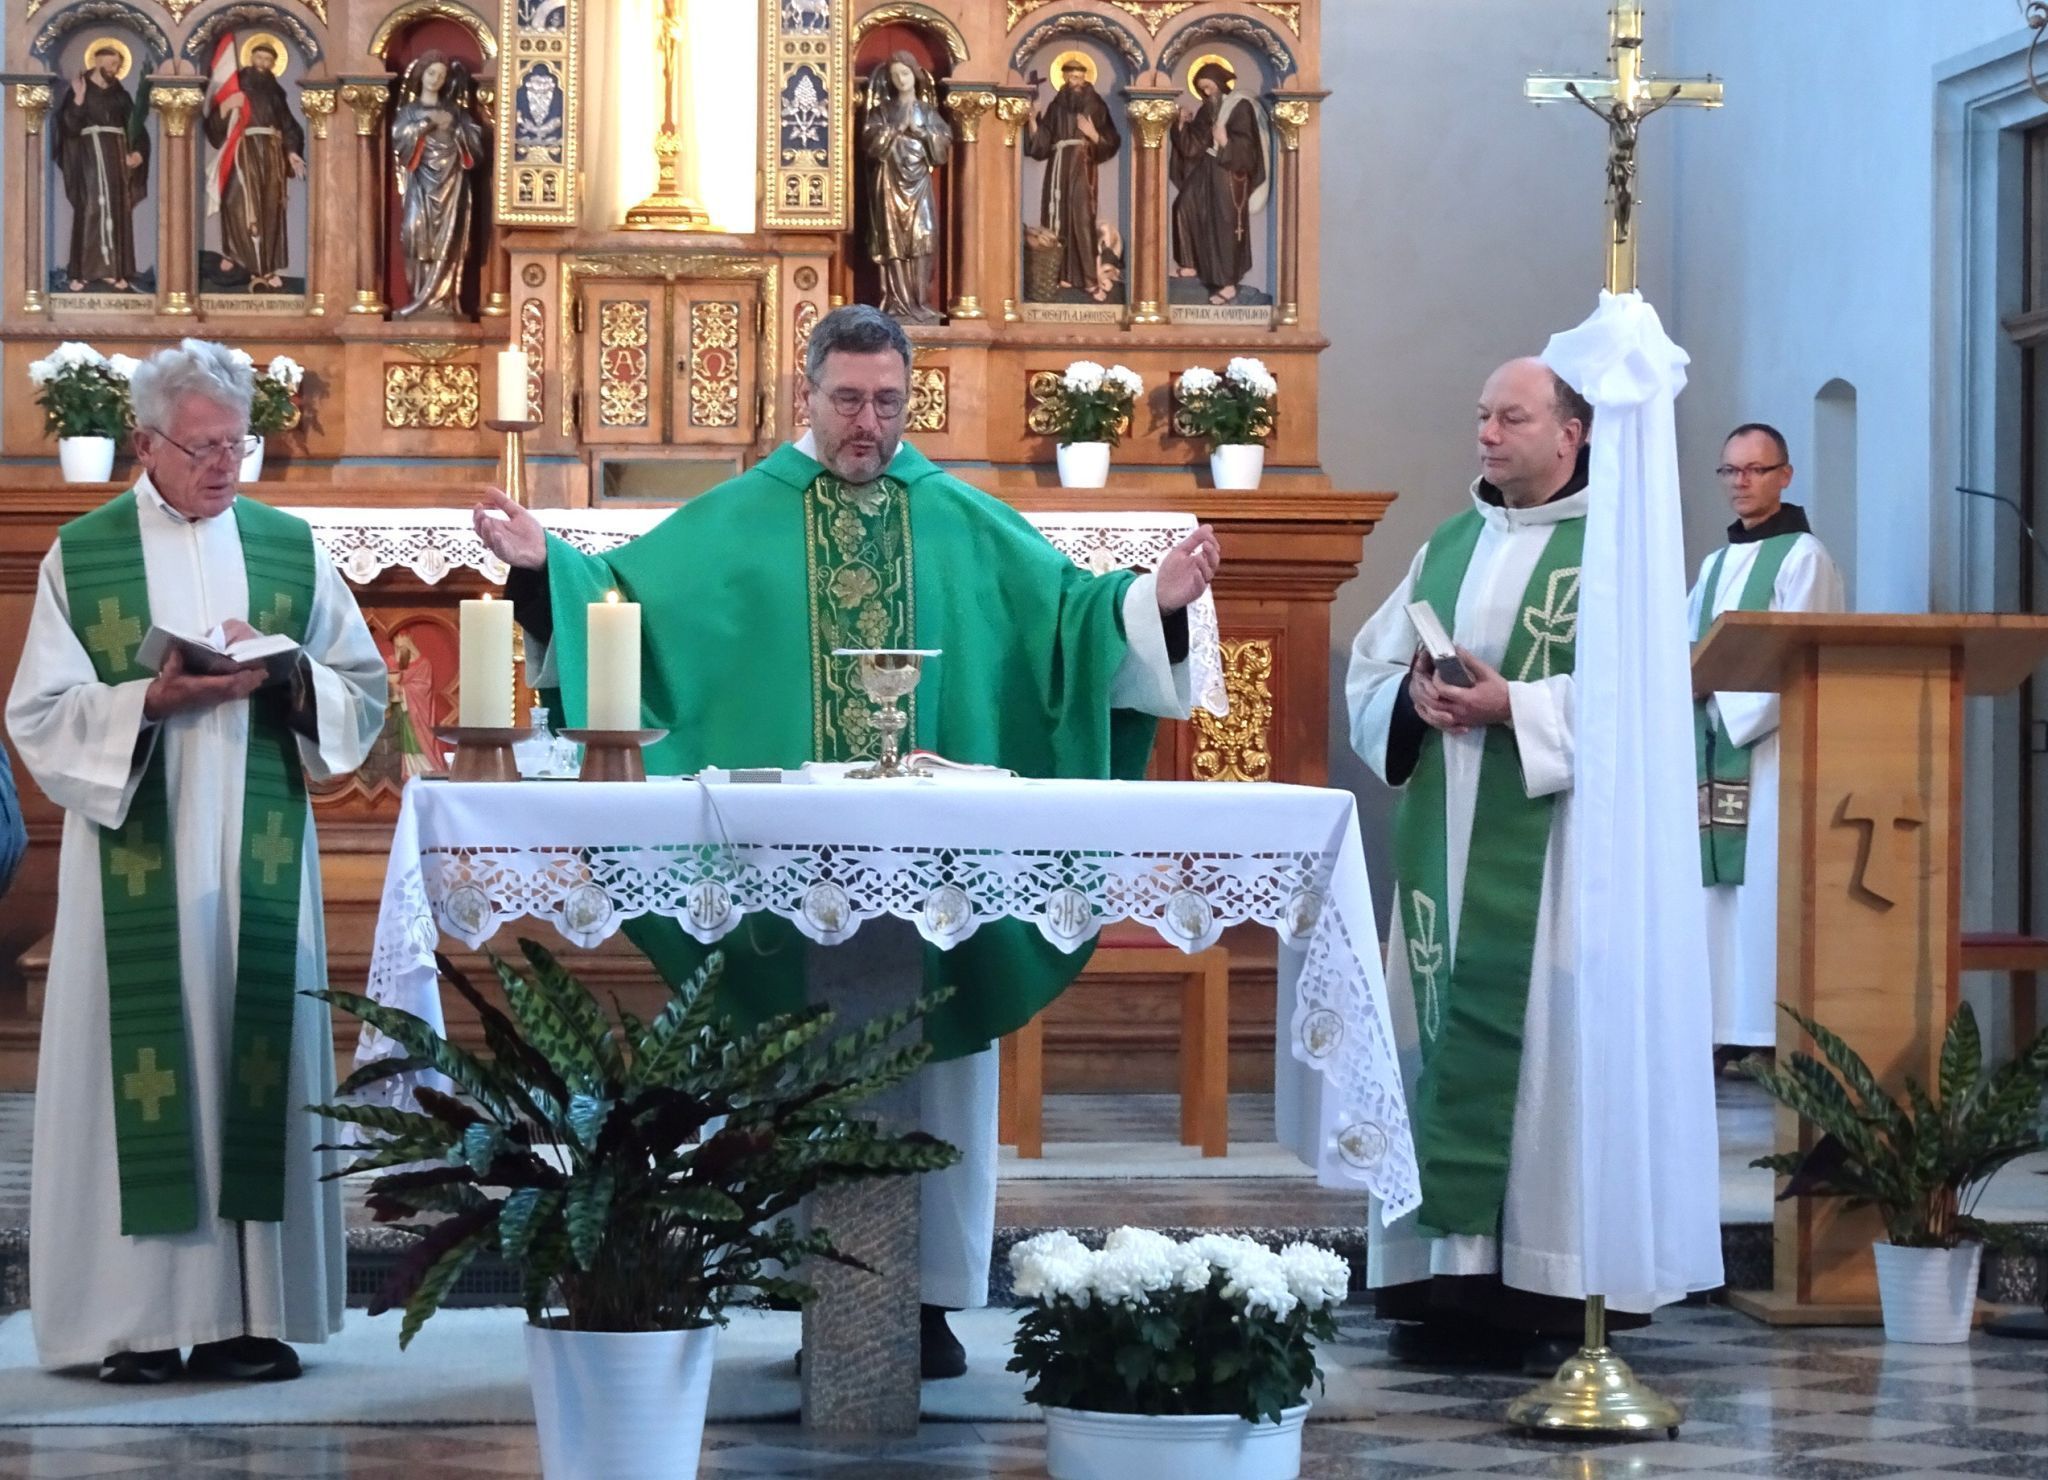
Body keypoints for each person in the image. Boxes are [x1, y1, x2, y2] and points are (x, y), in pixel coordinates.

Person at [471, 304, 1218, 1378]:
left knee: (940, 1060)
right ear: (804, 396)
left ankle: (927, 1298)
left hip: (934, 877)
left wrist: (1157, 601)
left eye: (886, 402)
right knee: (794, 1058)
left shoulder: (955, 514)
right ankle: (808, 1286)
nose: (866, 423)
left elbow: (1069, 618)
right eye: (847, 400)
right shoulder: (741, 516)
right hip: (792, 884)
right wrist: (548, 567)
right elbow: (625, 603)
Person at [7, 339, 385, 1383]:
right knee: (146, 1070)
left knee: (249, 1060)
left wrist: (289, 674)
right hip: (138, 853)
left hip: (257, 862)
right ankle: (130, 1324)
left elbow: (363, 692)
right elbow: (35, 712)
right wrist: (149, 703)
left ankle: (245, 1317)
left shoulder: (288, 547)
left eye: (239, 444)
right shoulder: (81, 557)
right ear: (145, 441)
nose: (226, 465)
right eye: (204, 446)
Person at [1346, 357, 1631, 1372]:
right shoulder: (1448, 544)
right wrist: (1411, 698)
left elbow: (1646, 705)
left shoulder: (1615, 553)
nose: (1485, 433)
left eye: (1509, 416)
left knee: (1543, 1046)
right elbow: (1372, 664)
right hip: (1444, 849)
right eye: (1479, 416)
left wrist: (1517, 707)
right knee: (1439, 1026)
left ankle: (1546, 1275)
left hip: (1550, 863)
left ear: (1571, 432)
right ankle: (1445, 1274)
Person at [1689, 423, 1844, 1064]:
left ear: (1786, 474)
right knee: (1713, 897)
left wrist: (1723, 698)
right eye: (1730, 471)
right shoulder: (1715, 564)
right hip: (1710, 746)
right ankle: (1718, 1028)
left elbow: (1798, 657)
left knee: (1759, 895)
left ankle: (1766, 1033)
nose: (1741, 483)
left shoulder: (1804, 557)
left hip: (1767, 752)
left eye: (1756, 470)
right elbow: (1685, 646)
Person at [204, 41, 305, 291]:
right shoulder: (238, 83)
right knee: (235, 201)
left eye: (268, 59)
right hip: (244, 147)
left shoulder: (276, 91)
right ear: (252, 57)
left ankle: (267, 267)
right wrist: (228, 106)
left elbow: (288, 124)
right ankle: (237, 256)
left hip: (271, 153)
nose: (263, 63)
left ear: (273, 63)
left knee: (270, 207)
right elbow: (215, 121)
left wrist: (291, 152)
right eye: (259, 57)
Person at [391, 54, 485, 320]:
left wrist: (455, 129)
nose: (436, 80)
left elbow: (476, 149)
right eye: (432, 73)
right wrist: (427, 124)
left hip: (452, 186)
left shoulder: (455, 112)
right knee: (414, 233)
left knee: (448, 241)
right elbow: (398, 142)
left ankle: (443, 301)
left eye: (442, 76)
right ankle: (419, 298)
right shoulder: (408, 112)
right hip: (420, 184)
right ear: (422, 74)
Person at [860, 52, 952, 324]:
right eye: (895, 75)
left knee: (922, 237)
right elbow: (870, 142)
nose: (901, 79)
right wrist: (897, 129)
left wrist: (922, 133)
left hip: (918, 184)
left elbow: (943, 146)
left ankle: (920, 303)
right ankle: (896, 306)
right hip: (889, 184)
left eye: (905, 73)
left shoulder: (928, 112)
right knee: (894, 242)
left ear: (915, 75)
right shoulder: (881, 112)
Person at [53, 43, 150, 293]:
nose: (114, 69)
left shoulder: (120, 94)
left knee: (116, 211)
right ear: (97, 61)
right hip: (88, 158)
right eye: (110, 63)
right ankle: (83, 272)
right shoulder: (81, 88)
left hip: (116, 158)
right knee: (90, 210)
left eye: (117, 65)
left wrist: (138, 152)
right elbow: (69, 128)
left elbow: (136, 126)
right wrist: (78, 98)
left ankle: (113, 271)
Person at [1024, 59, 1122, 301]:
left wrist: (1093, 135)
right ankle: (1062, 274)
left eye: (1077, 77)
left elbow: (1111, 139)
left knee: (1081, 218)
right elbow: (1043, 140)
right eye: (1068, 77)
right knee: (1058, 217)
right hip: (1058, 166)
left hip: (1082, 163)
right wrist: (1033, 120)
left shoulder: (1095, 104)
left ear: (1085, 78)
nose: (1072, 82)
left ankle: (1089, 279)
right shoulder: (1057, 105)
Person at [1169, 62, 1267, 304]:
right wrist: (1181, 125)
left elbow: (1249, 148)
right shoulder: (1205, 111)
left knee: (1224, 226)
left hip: (1229, 173)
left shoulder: (1239, 106)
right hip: (1206, 170)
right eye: (1202, 89)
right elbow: (1191, 148)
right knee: (1183, 206)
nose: (1206, 93)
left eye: (1209, 87)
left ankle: (1228, 284)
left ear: (1220, 84)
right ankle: (1190, 263)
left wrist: (1226, 142)